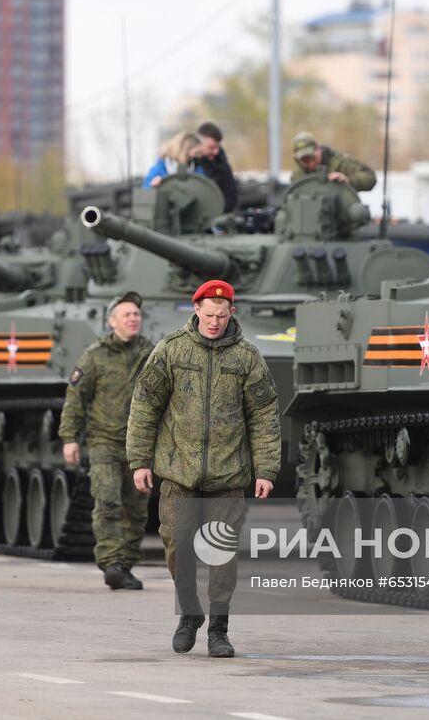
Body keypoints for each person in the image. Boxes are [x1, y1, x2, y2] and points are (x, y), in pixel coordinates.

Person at [127, 280, 279, 659]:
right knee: (177, 544)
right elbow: (145, 405)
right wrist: (140, 460)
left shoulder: (247, 357)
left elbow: (264, 415)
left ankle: (219, 630)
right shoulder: (171, 351)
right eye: (208, 315)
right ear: (196, 310)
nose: (214, 322)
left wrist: (266, 469)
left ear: (232, 313)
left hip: (228, 475)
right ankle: (189, 613)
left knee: (222, 553)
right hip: (178, 470)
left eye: (221, 315)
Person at [58, 291, 155, 591]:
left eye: (137, 314)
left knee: (136, 509)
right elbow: (76, 398)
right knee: (108, 501)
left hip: (140, 446)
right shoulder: (95, 355)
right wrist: (69, 438)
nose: (133, 318)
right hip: (104, 442)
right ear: (113, 321)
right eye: (127, 315)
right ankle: (112, 564)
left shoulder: (152, 354)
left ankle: (125, 564)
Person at [291, 132, 377, 191]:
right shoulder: (298, 175)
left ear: (318, 148)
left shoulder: (341, 163)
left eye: (312, 158)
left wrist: (348, 181)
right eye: (305, 160)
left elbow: (370, 178)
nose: (311, 163)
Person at [192, 121, 239, 213]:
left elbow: (231, 198)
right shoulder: (188, 164)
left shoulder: (222, 165)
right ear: (198, 144)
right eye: (211, 148)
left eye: (218, 147)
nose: (216, 152)